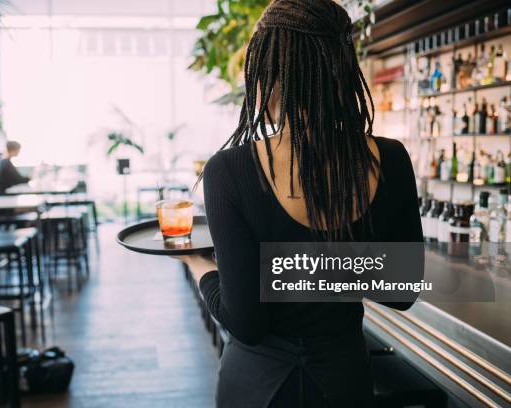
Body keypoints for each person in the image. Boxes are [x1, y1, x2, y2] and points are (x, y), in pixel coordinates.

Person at [175, 1, 423, 407]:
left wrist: (198, 264)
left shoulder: (230, 169)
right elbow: (401, 290)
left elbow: (247, 324)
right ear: (343, 67)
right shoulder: (390, 159)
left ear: (268, 72)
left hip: (259, 386)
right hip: (345, 379)